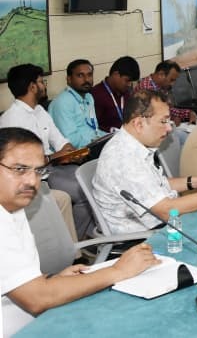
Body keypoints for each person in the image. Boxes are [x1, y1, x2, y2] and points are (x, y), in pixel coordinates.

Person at [0, 127, 159, 337]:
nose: (32, 181)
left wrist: (53, 280)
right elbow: (37, 299)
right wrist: (118, 270)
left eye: (38, 171)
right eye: (20, 169)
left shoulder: (13, 205)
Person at [92, 90, 197, 234]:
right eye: (163, 121)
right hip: (143, 238)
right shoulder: (124, 158)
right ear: (139, 124)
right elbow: (166, 211)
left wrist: (193, 182)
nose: (169, 128)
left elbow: (155, 186)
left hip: (162, 223)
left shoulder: (133, 145)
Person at [0, 64, 91, 240]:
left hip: (55, 167)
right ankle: (77, 242)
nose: (44, 86)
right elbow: (22, 164)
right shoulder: (12, 119)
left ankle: (84, 236)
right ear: (32, 87)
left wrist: (71, 151)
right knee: (84, 193)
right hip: (38, 176)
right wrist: (52, 157)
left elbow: (59, 140)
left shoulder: (40, 110)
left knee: (93, 182)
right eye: (42, 82)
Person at [49, 59, 105, 148]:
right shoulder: (63, 102)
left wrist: (110, 137)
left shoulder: (89, 97)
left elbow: (95, 130)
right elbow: (71, 140)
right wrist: (98, 144)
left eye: (89, 75)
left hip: (93, 146)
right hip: (78, 152)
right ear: (69, 79)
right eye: (80, 75)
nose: (86, 79)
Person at [91, 56, 140, 132]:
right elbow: (92, 127)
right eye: (127, 80)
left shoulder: (126, 92)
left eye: (131, 82)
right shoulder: (97, 94)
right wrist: (112, 130)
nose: (129, 85)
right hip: (109, 137)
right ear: (115, 74)